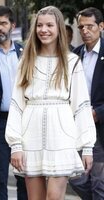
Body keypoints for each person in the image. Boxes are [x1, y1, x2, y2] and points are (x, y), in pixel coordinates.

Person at [5, 6, 96, 200]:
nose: (43, 29)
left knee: (54, 197)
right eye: (39, 25)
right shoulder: (26, 61)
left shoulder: (72, 62)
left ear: (59, 28)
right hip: (31, 136)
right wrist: (16, 145)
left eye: (49, 25)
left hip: (61, 136)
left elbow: (81, 106)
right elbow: (16, 104)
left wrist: (87, 146)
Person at [0, 5, 27, 200]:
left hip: (23, 122)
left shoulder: (24, 52)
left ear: (12, 25)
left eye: (3, 23)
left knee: (25, 176)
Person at [69, 7, 104, 200]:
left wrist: (96, 113)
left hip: (99, 127)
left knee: (99, 182)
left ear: (101, 26)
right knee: (76, 178)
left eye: (90, 26)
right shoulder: (74, 56)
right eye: (81, 27)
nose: (85, 31)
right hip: (77, 127)